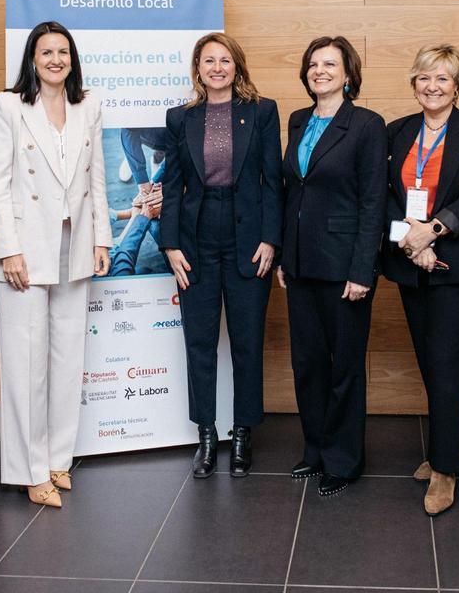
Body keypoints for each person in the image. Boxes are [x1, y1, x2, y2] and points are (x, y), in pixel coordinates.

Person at [0, 21, 111, 507]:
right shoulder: (8, 105)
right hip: (25, 249)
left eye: (63, 52)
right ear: (32, 59)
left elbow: (96, 177)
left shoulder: (89, 105)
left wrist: (101, 238)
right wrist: (7, 248)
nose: (55, 59)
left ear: (72, 59)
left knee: (66, 357)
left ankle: (58, 458)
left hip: (73, 245)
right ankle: (28, 469)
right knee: (24, 363)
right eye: (46, 52)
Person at [384, 44, 459, 515]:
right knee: (431, 362)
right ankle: (454, 444)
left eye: (443, 79)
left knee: (449, 363)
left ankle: (445, 469)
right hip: (411, 261)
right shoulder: (396, 133)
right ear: (414, 84)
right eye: (424, 79)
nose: (432, 87)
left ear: (457, 86)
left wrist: (433, 232)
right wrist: (411, 243)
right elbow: (385, 196)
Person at [160, 32, 282, 479]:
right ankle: (207, 435)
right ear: (198, 68)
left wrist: (271, 238)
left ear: (237, 66)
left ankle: (243, 432)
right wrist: (170, 245)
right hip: (195, 238)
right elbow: (172, 186)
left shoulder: (262, 112)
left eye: (225, 60)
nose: (217, 67)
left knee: (247, 340)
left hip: (249, 236)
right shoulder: (180, 118)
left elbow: (273, 181)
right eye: (208, 61)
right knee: (200, 340)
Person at [279, 36, 385, 498]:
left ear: (348, 74)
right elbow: (292, 193)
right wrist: (285, 254)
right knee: (307, 364)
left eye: (330, 64)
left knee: (344, 366)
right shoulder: (298, 120)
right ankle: (317, 449)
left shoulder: (366, 124)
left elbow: (373, 203)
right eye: (313, 64)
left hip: (345, 266)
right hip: (301, 263)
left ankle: (343, 460)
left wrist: (364, 269)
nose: (320, 70)